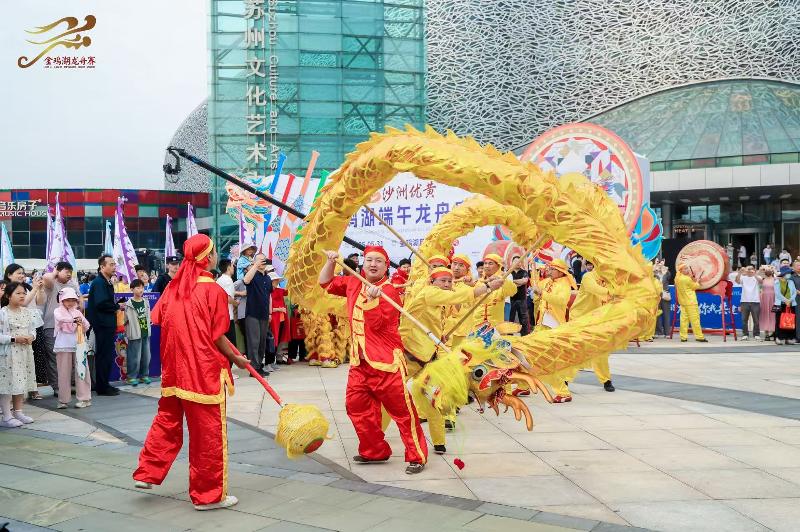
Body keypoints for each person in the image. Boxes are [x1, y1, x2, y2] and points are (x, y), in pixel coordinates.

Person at [133, 233, 248, 510]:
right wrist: (236, 357)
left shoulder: (174, 287)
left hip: (174, 369)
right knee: (207, 433)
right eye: (214, 252)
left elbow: (158, 318)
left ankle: (148, 472)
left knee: (167, 420)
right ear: (207, 258)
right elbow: (217, 335)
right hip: (202, 370)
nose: (216, 256)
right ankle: (208, 495)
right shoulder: (212, 291)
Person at [319, 246, 428, 474]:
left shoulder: (389, 292)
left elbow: (377, 325)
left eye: (379, 261)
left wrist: (371, 300)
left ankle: (416, 455)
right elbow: (325, 283)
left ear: (386, 266)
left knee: (403, 413)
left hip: (386, 363)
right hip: (359, 363)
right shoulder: (353, 281)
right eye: (369, 260)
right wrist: (330, 261)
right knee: (356, 407)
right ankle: (374, 450)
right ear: (363, 263)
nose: (373, 264)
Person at [402, 266, 501, 453]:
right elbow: (456, 297)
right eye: (443, 281)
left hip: (429, 354)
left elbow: (442, 310)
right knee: (392, 395)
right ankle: (376, 437)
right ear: (432, 281)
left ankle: (439, 442)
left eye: (449, 281)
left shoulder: (440, 297)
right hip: (408, 353)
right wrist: (486, 287)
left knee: (433, 398)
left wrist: (440, 334)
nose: (447, 284)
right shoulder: (429, 292)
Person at [531, 259, 577, 402]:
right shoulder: (548, 282)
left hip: (555, 326)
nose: (549, 271)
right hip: (542, 324)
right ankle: (524, 385)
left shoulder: (564, 285)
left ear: (560, 271)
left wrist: (542, 293)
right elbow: (535, 286)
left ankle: (563, 392)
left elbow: (561, 301)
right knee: (530, 353)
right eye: (549, 268)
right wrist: (532, 268)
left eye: (552, 269)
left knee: (550, 359)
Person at [0, 282, 42, 427]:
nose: (22, 295)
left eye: (24, 293)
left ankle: (18, 412)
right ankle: (6, 416)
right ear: (8, 296)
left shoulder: (28, 312)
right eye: (18, 293)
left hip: (24, 353)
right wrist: (14, 339)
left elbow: (33, 330)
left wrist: (31, 337)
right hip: (8, 354)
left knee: (20, 381)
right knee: (7, 383)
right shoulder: (3, 313)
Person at [569, 260, 615, 392]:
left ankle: (606, 380)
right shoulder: (588, 277)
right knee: (574, 351)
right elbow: (595, 289)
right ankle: (564, 379)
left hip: (596, 320)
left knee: (601, 351)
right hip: (580, 319)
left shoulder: (609, 280)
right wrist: (614, 292)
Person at [4, 264, 46, 399]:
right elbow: (23, 303)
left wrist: (40, 289)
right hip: (16, 326)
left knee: (34, 357)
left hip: (32, 323)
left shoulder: (27, 287)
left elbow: (40, 302)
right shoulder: (7, 288)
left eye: (23, 273)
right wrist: (35, 288)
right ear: (9, 275)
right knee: (17, 361)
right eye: (18, 273)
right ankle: (16, 392)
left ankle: (32, 387)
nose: (22, 275)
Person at [41, 262, 81, 394]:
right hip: (51, 325)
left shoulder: (72, 284)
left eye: (71, 271)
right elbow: (46, 277)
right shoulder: (52, 283)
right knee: (54, 357)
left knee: (71, 355)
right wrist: (55, 271)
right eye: (66, 271)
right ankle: (57, 386)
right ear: (57, 271)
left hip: (70, 326)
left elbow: (80, 299)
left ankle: (70, 384)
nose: (69, 274)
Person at [87, 254, 122, 396]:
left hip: (107, 323)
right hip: (102, 324)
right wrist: (117, 306)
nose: (114, 267)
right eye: (111, 264)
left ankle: (104, 384)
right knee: (103, 355)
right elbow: (101, 303)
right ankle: (102, 387)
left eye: (114, 264)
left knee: (106, 355)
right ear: (102, 267)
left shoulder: (106, 282)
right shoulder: (99, 282)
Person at [53, 286, 92, 409]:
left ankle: (85, 398)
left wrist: (81, 322)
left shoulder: (78, 312)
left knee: (82, 370)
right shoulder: (57, 311)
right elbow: (60, 319)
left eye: (73, 300)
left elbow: (87, 325)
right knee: (63, 373)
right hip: (63, 345)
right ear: (61, 300)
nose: (70, 302)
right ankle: (63, 400)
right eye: (67, 300)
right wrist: (74, 320)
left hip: (79, 344)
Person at [243, 253, 273, 377]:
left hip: (264, 314)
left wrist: (270, 312)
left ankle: (259, 365)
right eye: (260, 260)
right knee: (253, 342)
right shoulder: (252, 274)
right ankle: (254, 369)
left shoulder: (268, 278)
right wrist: (255, 266)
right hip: (253, 314)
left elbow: (269, 296)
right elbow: (246, 280)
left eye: (264, 260)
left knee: (262, 342)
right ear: (255, 261)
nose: (262, 262)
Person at [472, 254, 516, 328]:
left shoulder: (502, 282)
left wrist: (502, 280)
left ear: (498, 266)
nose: (487, 266)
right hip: (476, 324)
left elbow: (512, 291)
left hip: (495, 326)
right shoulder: (477, 283)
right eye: (485, 263)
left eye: (490, 263)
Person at [124, 280, 152, 386]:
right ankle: (131, 377)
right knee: (134, 356)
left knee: (146, 356)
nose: (141, 290)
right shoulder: (128, 304)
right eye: (138, 288)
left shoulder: (146, 302)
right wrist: (127, 331)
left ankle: (144, 375)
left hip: (145, 332)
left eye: (142, 288)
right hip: (134, 333)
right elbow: (124, 320)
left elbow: (148, 316)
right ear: (132, 289)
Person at [447, 254, 476, 348]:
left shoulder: (470, 285)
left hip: (461, 331)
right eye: (454, 264)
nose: (456, 268)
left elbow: (463, 309)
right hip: (443, 329)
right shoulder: (444, 282)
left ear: (467, 269)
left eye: (461, 265)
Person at [675, 263, 707, 343]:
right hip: (691, 302)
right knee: (695, 320)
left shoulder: (677, 278)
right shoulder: (687, 279)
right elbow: (695, 287)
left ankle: (683, 337)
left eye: (687, 268)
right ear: (681, 270)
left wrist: (692, 279)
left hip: (683, 302)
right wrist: (697, 281)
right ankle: (699, 336)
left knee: (684, 320)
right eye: (685, 269)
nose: (687, 270)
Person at [215, 259, 240, 352]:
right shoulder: (228, 280)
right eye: (232, 266)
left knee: (223, 346)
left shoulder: (220, 280)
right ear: (229, 267)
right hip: (228, 317)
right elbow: (227, 297)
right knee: (231, 346)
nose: (234, 268)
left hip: (220, 316)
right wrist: (236, 303)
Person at [736, 266, 762, 341]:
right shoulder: (743, 277)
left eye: (751, 269)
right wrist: (740, 272)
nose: (750, 270)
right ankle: (745, 334)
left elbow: (761, 281)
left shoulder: (757, 277)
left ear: (754, 270)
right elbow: (737, 281)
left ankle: (756, 334)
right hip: (744, 301)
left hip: (755, 301)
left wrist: (755, 274)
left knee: (756, 320)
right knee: (744, 320)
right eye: (748, 269)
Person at [508, 255, 531, 335]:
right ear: (512, 262)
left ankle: (525, 335)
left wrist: (512, 281)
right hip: (510, 299)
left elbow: (524, 281)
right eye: (516, 261)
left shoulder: (524, 272)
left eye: (520, 261)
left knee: (524, 318)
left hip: (522, 298)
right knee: (510, 318)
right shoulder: (508, 272)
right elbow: (506, 283)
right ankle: (509, 335)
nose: (518, 263)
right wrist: (518, 282)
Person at [774, 267, 797, 345]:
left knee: (790, 321)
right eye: (788, 273)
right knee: (779, 321)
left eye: (790, 273)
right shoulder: (777, 282)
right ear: (783, 274)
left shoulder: (791, 282)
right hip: (779, 304)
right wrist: (786, 300)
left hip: (791, 304)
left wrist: (790, 300)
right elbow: (777, 294)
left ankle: (789, 338)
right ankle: (779, 337)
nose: (789, 274)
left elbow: (794, 292)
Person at [654, 263, 672, 338]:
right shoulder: (653, 273)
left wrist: (664, 271)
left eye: (661, 263)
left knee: (666, 314)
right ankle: (658, 332)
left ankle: (667, 333)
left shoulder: (666, 272)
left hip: (665, 295)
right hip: (656, 296)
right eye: (658, 262)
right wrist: (654, 271)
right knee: (657, 314)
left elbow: (669, 276)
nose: (659, 265)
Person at [759, 266, 777, 342]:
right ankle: (766, 333)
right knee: (765, 315)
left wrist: (774, 269)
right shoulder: (763, 279)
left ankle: (774, 332)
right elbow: (756, 275)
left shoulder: (775, 279)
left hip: (773, 299)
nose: (768, 271)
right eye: (767, 270)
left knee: (774, 315)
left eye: (770, 270)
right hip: (764, 299)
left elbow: (780, 277)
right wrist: (761, 269)